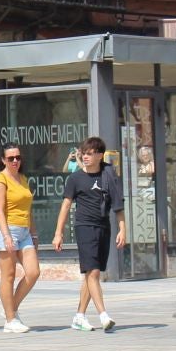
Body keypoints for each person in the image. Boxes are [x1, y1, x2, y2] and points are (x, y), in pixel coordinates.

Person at [53, 136, 127, 333]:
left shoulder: (109, 175)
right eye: (83, 153)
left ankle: (79, 316)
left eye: (89, 153)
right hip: (84, 226)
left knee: (91, 273)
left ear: (100, 155)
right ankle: (104, 315)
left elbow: (118, 205)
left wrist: (123, 229)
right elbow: (66, 205)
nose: (84, 157)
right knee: (93, 272)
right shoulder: (75, 178)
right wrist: (58, 233)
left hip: (104, 227)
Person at [0, 143, 41, 334]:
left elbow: (29, 209)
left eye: (18, 157)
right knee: (8, 275)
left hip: (24, 231)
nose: (15, 161)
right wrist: (6, 236)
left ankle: (10, 308)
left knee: (33, 272)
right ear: (3, 160)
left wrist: (34, 234)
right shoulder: (0, 180)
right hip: (5, 229)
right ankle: (10, 319)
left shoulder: (23, 178)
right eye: (10, 158)